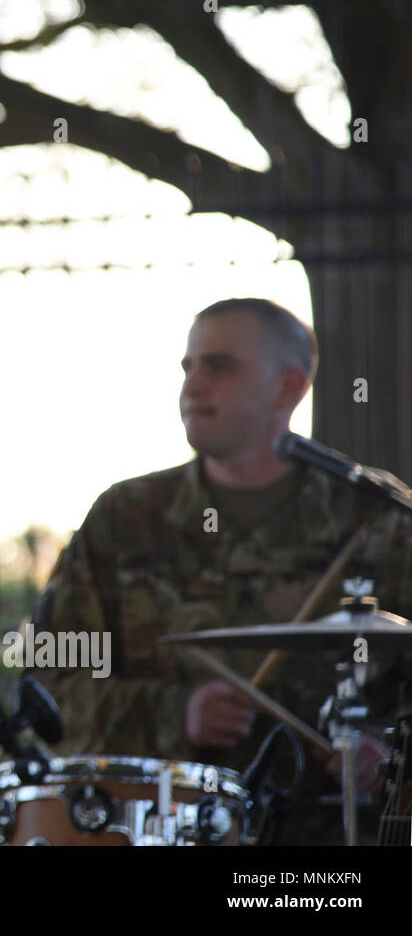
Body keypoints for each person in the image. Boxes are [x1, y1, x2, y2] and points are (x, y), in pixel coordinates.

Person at [34, 297, 411, 845]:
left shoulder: (380, 521)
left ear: (289, 387)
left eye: (220, 367)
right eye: (188, 368)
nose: (192, 387)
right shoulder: (125, 517)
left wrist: (386, 749)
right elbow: (51, 684)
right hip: (162, 827)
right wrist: (175, 712)